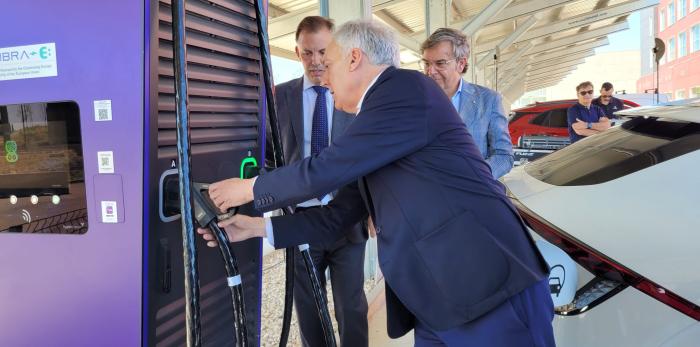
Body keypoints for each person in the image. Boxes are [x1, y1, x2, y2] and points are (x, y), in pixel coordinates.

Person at [201, 20, 555, 346]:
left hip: (487, 289)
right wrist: (255, 228)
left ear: (354, 58)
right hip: (440, 302)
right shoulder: (377, 125)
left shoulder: (405, 89)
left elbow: (325, 168)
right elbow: (337, 215)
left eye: (331, 63)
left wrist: (247, 188)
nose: (323, 76)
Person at [268, 16, 368, 347]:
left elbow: (370, 158)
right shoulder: (277, 98)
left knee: (350, 308)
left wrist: (372, 210)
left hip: (347, 220)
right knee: (309, 311)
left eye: (323, 51)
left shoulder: (355, 97)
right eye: (308, 53)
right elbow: (268, 156)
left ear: (336, 50)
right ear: (298, 53)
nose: (317, 61)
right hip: (300, 220)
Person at [419, 28, 513, 178]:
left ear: (461, 64)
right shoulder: (414, 101)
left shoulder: (488, 100)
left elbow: (504, 156)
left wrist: (474, 177)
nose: (430, 71)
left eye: (440, 63)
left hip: (470, 193)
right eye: (426, 63)